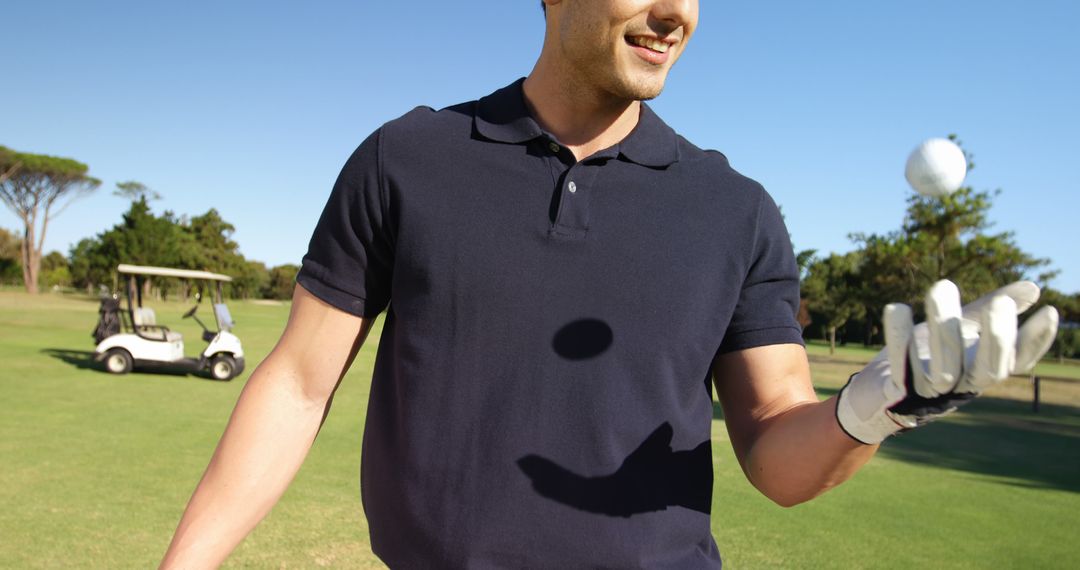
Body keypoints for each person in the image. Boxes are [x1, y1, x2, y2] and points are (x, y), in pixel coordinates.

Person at [160, 1, 1059, 568]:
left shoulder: (735, 209)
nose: (676, 12)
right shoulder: (408, 157)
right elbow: (297, 382)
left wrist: (881, 405)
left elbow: (778, 453)